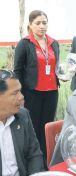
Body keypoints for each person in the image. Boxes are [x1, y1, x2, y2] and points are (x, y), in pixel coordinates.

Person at [14, 10, 60, 157]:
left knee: (47, 126)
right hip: (32, 92)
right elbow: (17, 71)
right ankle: (33, 157)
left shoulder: (54, 43)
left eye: (44, 23)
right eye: (38, 23)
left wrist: (61, 75)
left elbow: (55, 67)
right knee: (33, 127)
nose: (41, 26)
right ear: (30, 24)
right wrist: (18, 93)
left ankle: (46, 157)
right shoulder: (25, 43)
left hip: (52, 92)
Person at [0, 69, 44, 176]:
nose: (21, 97)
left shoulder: (23, 116)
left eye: (20, 91)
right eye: (15, 93)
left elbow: (34, 154)